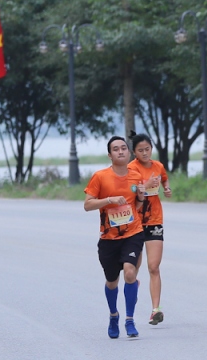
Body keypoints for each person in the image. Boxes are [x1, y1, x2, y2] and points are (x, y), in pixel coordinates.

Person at [84, 135, 147, 339]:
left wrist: (140, 197)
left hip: (133, 232)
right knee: (112, 281)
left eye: (123, 148)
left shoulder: (136, 176)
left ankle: (129, 319)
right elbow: (87, 205)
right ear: (109, 154)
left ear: (129, 152)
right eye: (116, 149)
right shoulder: (100, 177)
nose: (120, 152)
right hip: (108, 238)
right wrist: (109, 200)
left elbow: (137, 206)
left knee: (130, 273)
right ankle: (114, 315)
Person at [127, 133, 171, 326]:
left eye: (147, 149)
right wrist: (145, 186)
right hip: (135, 221)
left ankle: (155, 310)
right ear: (134, 152)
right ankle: (132, 287)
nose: (145, 153)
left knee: (153, 266)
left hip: (154, 219)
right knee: (133, 268)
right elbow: (129, 191)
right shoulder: (131, 169)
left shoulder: (158, 166)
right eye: (140, 150)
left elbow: (164, 179)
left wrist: (166, 189)